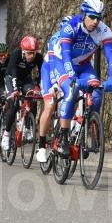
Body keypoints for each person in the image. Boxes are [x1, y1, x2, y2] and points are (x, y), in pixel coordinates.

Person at [53, 0, 112, 157]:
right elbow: (67, 55)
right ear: (83, 15)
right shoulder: (71, 27)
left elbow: (111, 57)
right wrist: (72, 77)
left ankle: (86, 126)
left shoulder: (104, 31)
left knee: (96, 91)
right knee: (72, 90)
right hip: (62, 62)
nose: (96, 21)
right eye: (92, 17)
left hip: (83, 65)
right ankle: (63, 137)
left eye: (99, 17)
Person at [35, 17, 70, 163]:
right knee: (49, 106)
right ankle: (42, 146)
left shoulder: (79, 40)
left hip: (66, 71)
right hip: (49, 71)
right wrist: (55, 85)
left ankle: (66, 134)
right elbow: (54, 65)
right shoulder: (55, 40)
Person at [0, 36, 42, 152]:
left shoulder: (38, 57)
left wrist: (39, 86)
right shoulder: (16, 55)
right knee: (14, 104)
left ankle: (28, 127)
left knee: (33, 96)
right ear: (23, 52)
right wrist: (15, 90)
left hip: (25, 80)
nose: (32, 56)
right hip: (11, 78)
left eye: (34, 53)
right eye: (29, 53)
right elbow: (13, 73)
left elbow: (43, 73)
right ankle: (6, 134)